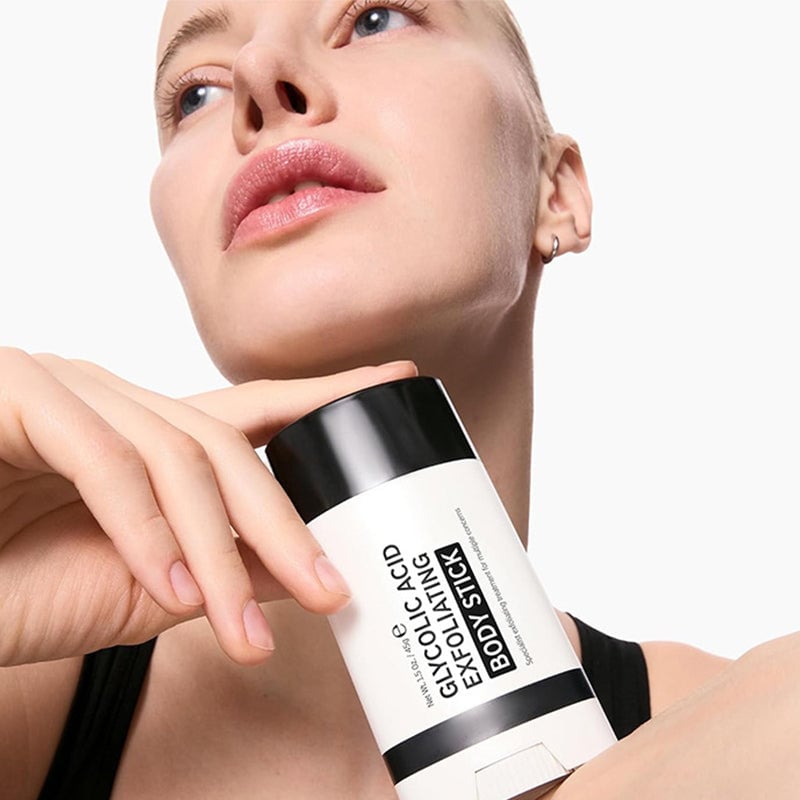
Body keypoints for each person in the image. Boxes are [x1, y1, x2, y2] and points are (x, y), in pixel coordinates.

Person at [0, 1, 797, 798]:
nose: (256, 74)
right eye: (195, 94)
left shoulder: (755, 734)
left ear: (556, 190)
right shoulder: (28, 686)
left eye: (375, 17)